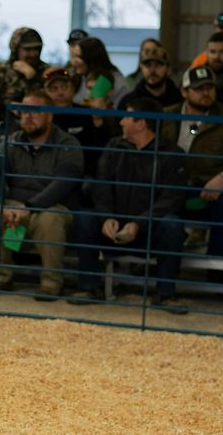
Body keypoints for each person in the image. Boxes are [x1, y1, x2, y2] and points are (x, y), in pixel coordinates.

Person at [70, 97, 189, 313]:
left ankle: (165, 293)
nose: (121, 122)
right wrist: (106, 216)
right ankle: (89, 286)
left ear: (141, 123)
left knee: (173, 224)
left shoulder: (172, 154)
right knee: (85, 217)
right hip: (113, 226)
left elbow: (171, 199)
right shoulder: (114, 146)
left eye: (127, 116)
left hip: (148, 229)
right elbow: (102, 185)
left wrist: (138, 223)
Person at [161, 67, 223, 264]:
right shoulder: (165, 117)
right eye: (199, 88)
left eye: (210, 87)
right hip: (171, 190)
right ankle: (162, 266)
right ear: (184, 92)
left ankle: (217, 264)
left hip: (208, 192)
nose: (206, 92)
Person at [0, 89, 84, 297]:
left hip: (54, 206)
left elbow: (63, 184)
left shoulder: (67, 144)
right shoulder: (10, 142)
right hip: (17, 205)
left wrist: (30, 206)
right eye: (24, 110)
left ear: (50, 115)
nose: (28, 116)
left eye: (35, 111)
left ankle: (51, 283)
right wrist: (0, 204)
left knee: (50, 219)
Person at [43, 66, 117, 179]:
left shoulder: (86, 113)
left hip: (82, 174)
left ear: (73, 90)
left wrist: (98, 120)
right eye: (53, 89)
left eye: (64, 87)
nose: (60, 93)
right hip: (47, 172)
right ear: (45, 93)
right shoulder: (41, 116)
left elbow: (102, 148)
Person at [69, 36, 129, 108]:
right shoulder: (74, 75)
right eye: (73, 56)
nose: (73, 62)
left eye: (78, 57)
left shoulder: (114, 81)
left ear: (92, 59)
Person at [117, 45, 182, 111]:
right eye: (148, 65)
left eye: (158, 65)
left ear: (168, 69)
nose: (152, 70)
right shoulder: (128, 101)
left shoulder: (180, 100)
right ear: (141, 68)